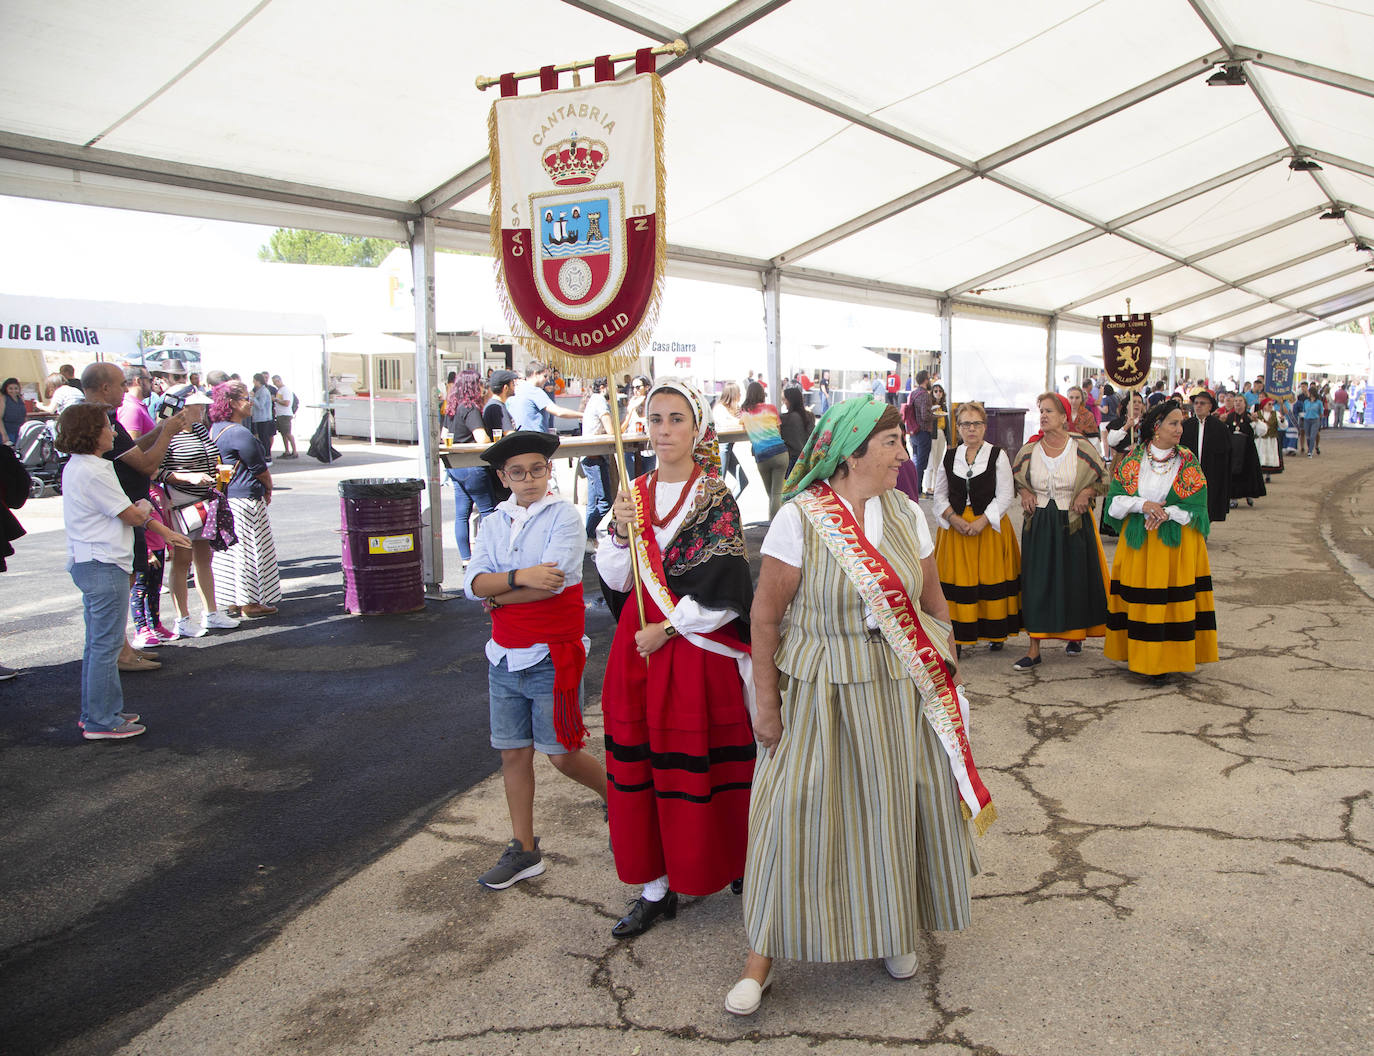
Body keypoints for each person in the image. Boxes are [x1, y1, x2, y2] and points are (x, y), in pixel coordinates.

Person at [730, 395, 990, 1016]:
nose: (904, 452)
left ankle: (893, 931)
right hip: (821, 686)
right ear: (852, 452)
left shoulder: (907, 511)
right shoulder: (801, 518)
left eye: (901, 441)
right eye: (893, 442)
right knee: (792, 815)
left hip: (899, 689)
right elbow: (764, 619)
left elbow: (933, 601)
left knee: (891, 810)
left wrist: (947, 670)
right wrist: (766, 705)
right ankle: (759, 959)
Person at [596, 379, 754, 940]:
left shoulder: (715, 497)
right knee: (642, 767)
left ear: (698, 428)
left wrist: (668, 628)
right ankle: (656, 887)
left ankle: (733, 862)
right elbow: (615, 579)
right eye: (655, 419)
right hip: (636, 654)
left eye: (676, 419)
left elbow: (728, 588)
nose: (663, 430)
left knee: (710, 762)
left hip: (692, 652)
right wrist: (618, 530)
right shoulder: (629, 495)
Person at [463, 431, 607, 890]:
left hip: (551, 654)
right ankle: (524, 849)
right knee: (512, 753)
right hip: (503, 656)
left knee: (562, 755)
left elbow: (556, 582)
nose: (529, 480)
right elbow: (472, 585)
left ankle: (618, 796)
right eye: (518, 473)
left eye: (538, 470)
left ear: (550, 472)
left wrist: (498, 593)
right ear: (503, 478)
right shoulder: (492, 521)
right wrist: (520, 577)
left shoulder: (564, 515)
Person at [56, 403, 191, 740]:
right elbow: (130, 514)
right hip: (103, 563)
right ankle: (102, 720)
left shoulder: (81, 466)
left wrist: (149, 518)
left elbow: (128, 512)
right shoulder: (95, 469)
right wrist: (154, 519)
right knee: (106, 645)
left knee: (99, 644)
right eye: (106, 426)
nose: (113, 432)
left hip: (92, 562)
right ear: (91, 432)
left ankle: (100, 713)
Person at [1103, 399, 1217, 684]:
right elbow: (1114, 503)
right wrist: (1144, 505)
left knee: (1170, 603)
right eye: (1174, 423)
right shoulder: (1132, 460)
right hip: (1140, 546)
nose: (1180, 428)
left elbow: (1199, 505)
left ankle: (1168, 659)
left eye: (1181, 423)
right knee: (1142, 603)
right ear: (1156, 427)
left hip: (1174, 546)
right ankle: (1141, 656)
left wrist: (1167, 513)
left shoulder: (1187, 460)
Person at [1010, 393, 1111, 671]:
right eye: (1041, 411)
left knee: (1074, 580)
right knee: (1037, 582)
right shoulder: (1030, 450)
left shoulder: (1081, 447)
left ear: (1064, 417)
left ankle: (1075, 635)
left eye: (1050, 411)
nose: (1043, 416)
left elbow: (1104, 478)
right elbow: (1017, 477)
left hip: (1074, 520)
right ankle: (1034, 648)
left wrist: (1087, 492)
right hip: (1040, 522)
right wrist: (1025, 490)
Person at [933, 401, 1021, 654]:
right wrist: (953, 518)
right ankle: (959, 636)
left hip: (989, 527)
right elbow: (939, 495)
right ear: (958, 428)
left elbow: (1005, 495)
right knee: (958, 582)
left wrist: (982, 520)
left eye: (976, 423)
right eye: (965, 424)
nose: (971, 429)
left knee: (989, 579)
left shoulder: (997, 454)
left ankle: (995, 632)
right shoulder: (949, 456)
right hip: (956, 530)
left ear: (985, 426)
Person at [156, 389, 242, 638]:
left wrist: (217, 470)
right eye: (197, 406)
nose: (203, 410)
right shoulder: (167, 433)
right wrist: (188, 477)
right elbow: (157, 471)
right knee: (182, 560)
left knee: (204, 557)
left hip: (205, 499)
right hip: (182, 502)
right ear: (183, 408)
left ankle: (210, 612)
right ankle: (182, 618)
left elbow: (210, 455)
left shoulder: (201, 430)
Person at [208, 382, 281, 619]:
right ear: (232, 403)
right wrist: (268, 488)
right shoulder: (239, 432)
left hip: (225, 496)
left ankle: (232, 601)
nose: (250, 402)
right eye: (245, 398)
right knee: (250, 550)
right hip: (245, 498)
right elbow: (259, 468)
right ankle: (250, 601)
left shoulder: (215, 429)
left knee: (230, 552)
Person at [445, 370, 496, 563]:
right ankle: (490, 555)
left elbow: (444, 435)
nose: (482, 387)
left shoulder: (451, 407)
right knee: (488, 512)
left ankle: (466, 558)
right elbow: (481, 438)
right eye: (479, 384)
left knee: (461, 515)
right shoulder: (470, 408)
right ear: (473, 386)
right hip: (472, 466)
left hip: (454, 466)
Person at [1179, 388, 1231, 526]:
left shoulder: (1220, 428)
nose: (1198, 406)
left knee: (1210, 501)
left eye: (1202, 403)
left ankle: (1204, 526)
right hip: (1190, 473)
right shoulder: (1186, 426)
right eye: (1196, 403)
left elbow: (1226, 454)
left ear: (1210, 406)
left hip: (1211, 472)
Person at [739, 380, 789, 518]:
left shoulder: (744, 411)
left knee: (771, 495)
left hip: (762, 456)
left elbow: (744, 428)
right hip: (780, 453)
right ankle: (775, 525)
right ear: (762, 394)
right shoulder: (771, 408)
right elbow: (778, 431)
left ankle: (773, 525)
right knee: (776, 494)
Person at [579, 377, 613, 541]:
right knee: (605, 502)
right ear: (603, 387)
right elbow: (611, 430)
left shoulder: (592, 399)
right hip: (595, 456)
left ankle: (588, 536)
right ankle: (589, 534)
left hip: (589, 456)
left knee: (593, 502)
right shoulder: (599, 400)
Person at [508, 363, 581, 433]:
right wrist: (583, 415)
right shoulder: (534, 391)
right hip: (535, 437)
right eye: (545, 376)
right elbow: (558, 412)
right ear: (535, 374)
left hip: (518, 436)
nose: (547, 380)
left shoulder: (516, 390)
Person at [1223, 394, 1266, 509]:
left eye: (1240, 401)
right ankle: (1233, 498)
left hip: (1247, 449)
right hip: (1233, 450)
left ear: (1245, 403)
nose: (1237, 403)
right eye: (1235, 401)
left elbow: (1262, 431)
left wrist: (1255, 421)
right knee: (1233, 474)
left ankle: (1248, 494)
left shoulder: (1250, 417)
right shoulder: (1229, 417)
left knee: (1248, 472)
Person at [903, 369, 934, 491]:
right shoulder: (924, 395)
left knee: (916, 461)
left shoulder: (914, 393)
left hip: (913, 431)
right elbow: (925, 416)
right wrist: (936, 415)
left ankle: (914, 486)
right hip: (923, 432)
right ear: (926, 380)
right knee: (921, 463)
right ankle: (917, 488)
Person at [778, 385, 814, 473]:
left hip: (791, 460)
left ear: (790, 400)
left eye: (784, 399)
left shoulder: (784, 418)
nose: (783, 402)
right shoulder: (810, 416)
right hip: (807, 459)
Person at [924, 382, 951, 493]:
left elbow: (947, 425)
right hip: (933, 435)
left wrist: (949, 441)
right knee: (931, 461)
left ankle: (936, 486)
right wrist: (934, 414)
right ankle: (928, 486)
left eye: (940, 391)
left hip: (941, 434)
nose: (938, 393)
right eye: (935, 391)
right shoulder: (930, 406)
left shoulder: (944, 406)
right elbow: (927, 420)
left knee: (939, 462)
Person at [248, 374, 276, 461]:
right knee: (262, 437)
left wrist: (253, 398)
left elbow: (260, 405)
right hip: (260, 418)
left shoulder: (263, 391)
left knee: (264, 437)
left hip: (264, 418)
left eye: (254, 380)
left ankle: (267, 456)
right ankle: (265, 455)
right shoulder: (259, 390)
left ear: (258, 381)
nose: (253, 382)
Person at [483, 369, 518, 437]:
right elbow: (510, 435)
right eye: (513, 384)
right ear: (506, 388)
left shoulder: (493, 405)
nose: (514, 386)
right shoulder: (497, 407)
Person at [271, 375, 298, 458]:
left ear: (279, 380)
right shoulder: (280, 390)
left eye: (276, 382)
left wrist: (275, 400)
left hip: (285, 414)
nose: (275, 384)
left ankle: (294, 452)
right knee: (283, 434)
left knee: (288, 433)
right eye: (274, 382)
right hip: (280, 414)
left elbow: (287, 403)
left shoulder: (285, 390)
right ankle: (287, 451)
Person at [1, 378, 26, 446]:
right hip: (8, 432)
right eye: (10, 388)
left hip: (20, 432)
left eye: (16, 388)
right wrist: (4, 435)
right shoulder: (3, 398)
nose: (13, 391)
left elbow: (24, 415)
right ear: (6, 389)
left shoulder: (20, 398)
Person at [1301, 385, 1323, 456]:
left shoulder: (1319, 402)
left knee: (1313, 436)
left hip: (1315, 420)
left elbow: (1321, 412)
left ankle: (1310, 451)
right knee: (1308, 436)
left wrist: (1318, 419)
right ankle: (1309, 447)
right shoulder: (1306, 402)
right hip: (1307, 419)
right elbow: (1304, 411)